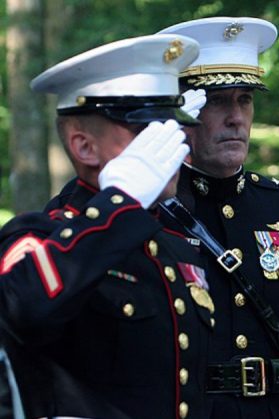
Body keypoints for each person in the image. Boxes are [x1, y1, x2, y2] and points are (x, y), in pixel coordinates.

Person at [0, 34, 215, 418]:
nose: (172, 142)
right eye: (147, 130)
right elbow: (21, 309)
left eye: (172, 126)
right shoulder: (39, 236)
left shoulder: (173, 245)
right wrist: (120, 202)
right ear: (84, 147)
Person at [157, 17, 279, 418]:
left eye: (245, 100)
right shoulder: (151, 210)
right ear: (182, 111)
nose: (236, 117)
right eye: (217, 100)